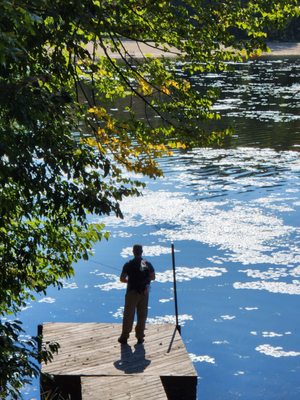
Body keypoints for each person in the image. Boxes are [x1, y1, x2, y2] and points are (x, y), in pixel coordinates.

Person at [118, 244, 155, 345]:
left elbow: (122, 278)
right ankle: (139, 337)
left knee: (128, 315)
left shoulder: (129, 264)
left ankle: (124, 337)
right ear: (142, 252)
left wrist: (129, 281)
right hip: (144, 293)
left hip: (132, 293)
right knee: (142, 315)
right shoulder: (144, 263)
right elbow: (152, 277)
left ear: (133, 252)